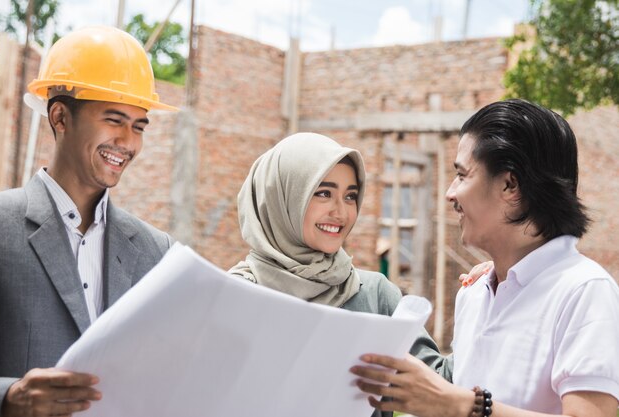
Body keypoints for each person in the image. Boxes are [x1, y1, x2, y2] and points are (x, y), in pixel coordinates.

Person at [350, 99, 619, 417]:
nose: (450, 193)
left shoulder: (584, 290)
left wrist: (461, 405)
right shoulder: (474, 292)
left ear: (510, 184)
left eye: (462, 176)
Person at [229, 132, 486, 416]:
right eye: (323, 193)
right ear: (283, 196)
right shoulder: (234, 295)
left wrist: (487, 294)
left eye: (350, 196)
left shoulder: (373, 294)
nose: (341, 212)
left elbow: (444, 383)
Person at [0, 26, 178, 417]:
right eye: (114, 120)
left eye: (139, 126)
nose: (128, 142)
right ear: (60, 116)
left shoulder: (155, 251)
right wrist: (8, 397)